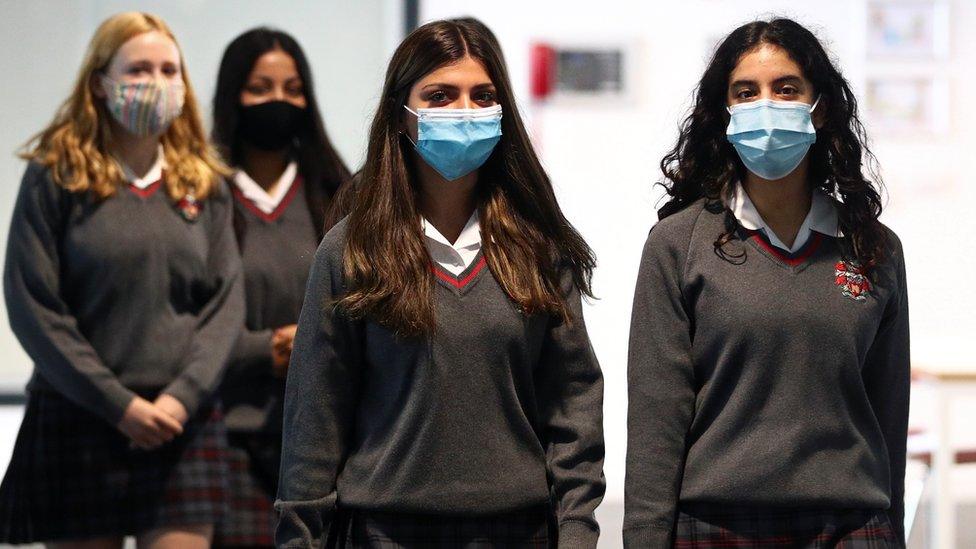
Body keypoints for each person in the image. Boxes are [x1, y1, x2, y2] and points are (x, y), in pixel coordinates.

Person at [276, 17, 606, 549]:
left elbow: (573, 407)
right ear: (402, 116)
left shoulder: (540, 249)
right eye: (440, 95)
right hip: (383, 532)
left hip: (517, 532)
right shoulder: (349, 250)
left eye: (483, 96)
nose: (465, 112)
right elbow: (315, 420)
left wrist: (576, 532)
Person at [624, 18, 909, 548]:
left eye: (786, 89)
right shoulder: (677, 243)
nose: (766, 104)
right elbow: (655, 419)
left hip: (854, 527)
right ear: (725, 112)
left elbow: (888, 408)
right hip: (717, 527)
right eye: (745, 92)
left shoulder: (876, 248)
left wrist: (894, 530)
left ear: (819, 109)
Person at [0, 12, 244, 549]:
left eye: (168, 69)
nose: (157, 82)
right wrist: (118, 404)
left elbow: (225, 306)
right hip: (80, 412)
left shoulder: (205, 184)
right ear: (99, 83)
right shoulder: (55, 175)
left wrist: (181, 398)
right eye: (138, 69)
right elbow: (32, 304)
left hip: (182, 422)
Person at [209, 27, 351, 548]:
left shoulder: (340, 193)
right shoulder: (201, 195)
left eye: (292, 89)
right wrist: (263, 350)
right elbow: (171, 320)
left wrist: (318, 344)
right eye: (261, 87)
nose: (279, 102)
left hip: (327, 446)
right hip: (226, 443)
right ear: (232, 96)